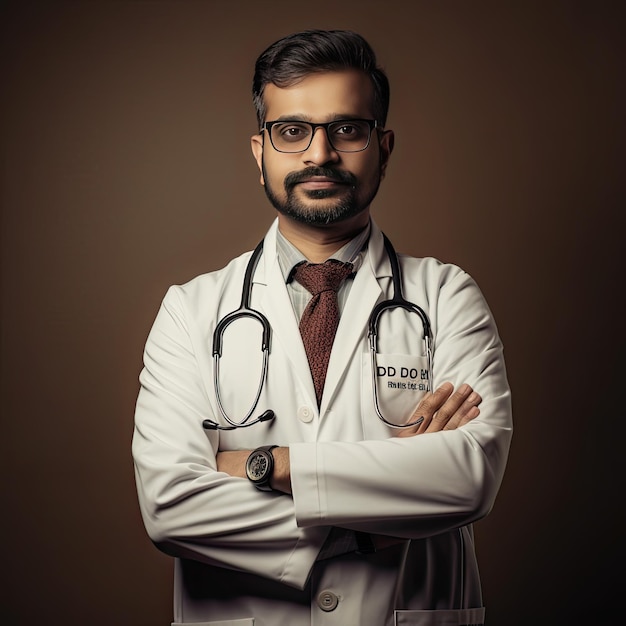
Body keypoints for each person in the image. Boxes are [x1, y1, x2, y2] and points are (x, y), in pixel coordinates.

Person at [132, 29, 512, 626]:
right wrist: (368, 525)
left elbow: (466, 480)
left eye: (347, 129)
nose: (319, 154)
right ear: (260, 151)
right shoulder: (191, 310)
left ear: (383, 147)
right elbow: (171, 507)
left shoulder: (446, 296)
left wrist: (271, 464)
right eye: (292, 131)